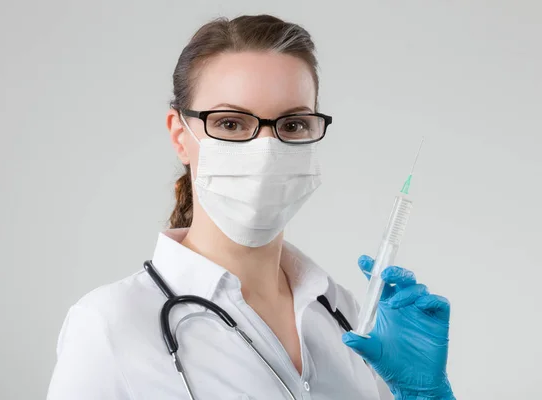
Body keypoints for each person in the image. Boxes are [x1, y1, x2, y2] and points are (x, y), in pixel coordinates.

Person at [47, 14, 455, 400]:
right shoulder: (109, 325)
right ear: (180, 134)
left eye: (293, 125)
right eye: (230, 123)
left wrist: (425, 396)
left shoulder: (348, 316)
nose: (265, 151)